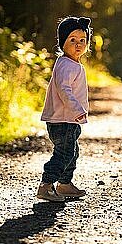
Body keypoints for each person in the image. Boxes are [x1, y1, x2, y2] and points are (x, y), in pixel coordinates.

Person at [36, 16, 92, 202]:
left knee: (72, 152)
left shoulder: (71, 64)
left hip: (69, 119)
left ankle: (65, 184)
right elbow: (64, 90)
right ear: (62, 42)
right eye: (72, 40)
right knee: (64, 153)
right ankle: (46, 185)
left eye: (82, 40)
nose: (78, 45)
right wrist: (77, 110)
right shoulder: (67, 65)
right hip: (63, 120)